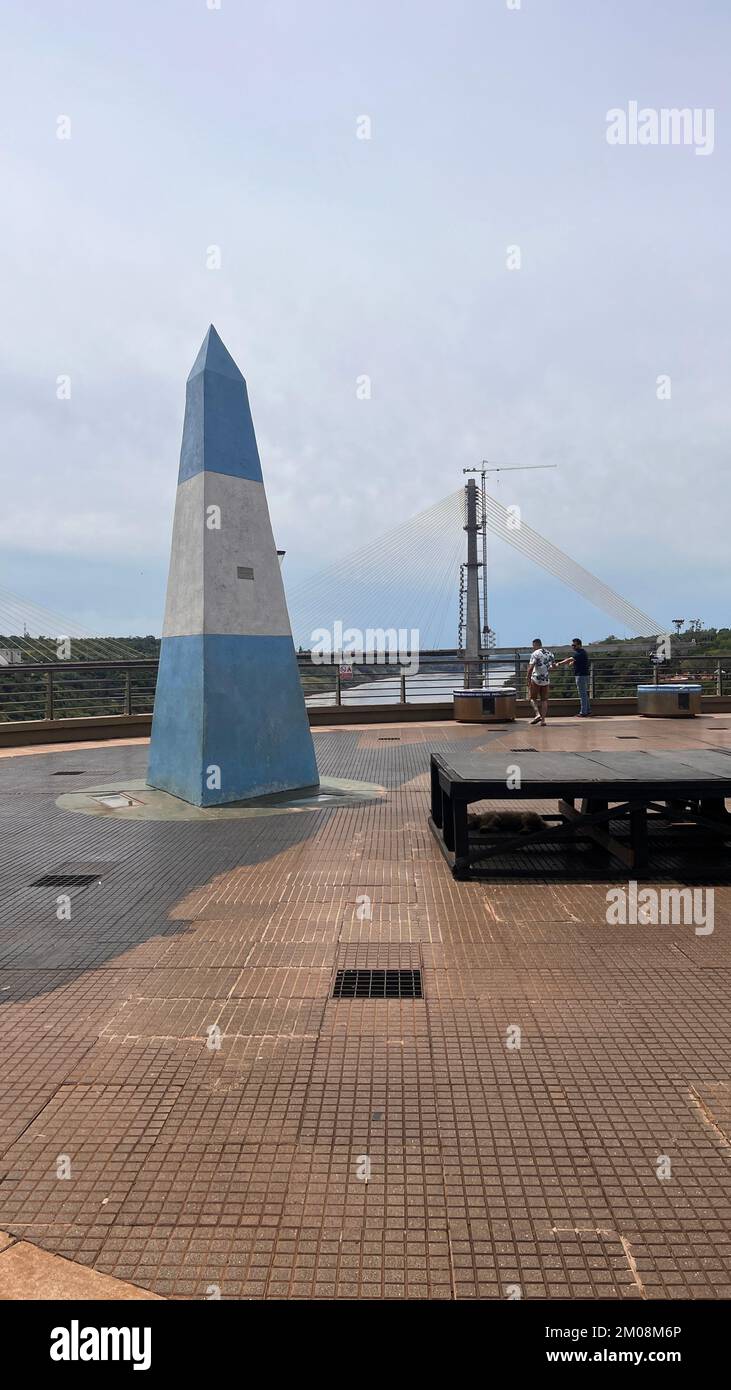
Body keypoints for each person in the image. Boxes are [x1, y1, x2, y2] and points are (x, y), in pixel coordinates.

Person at [556, 637, 591, 716]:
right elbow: (574, 660)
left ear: (579, 645)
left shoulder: (579, 653)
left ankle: (583, 712)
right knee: (584, 693)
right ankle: (587, 710)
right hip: (584, 675)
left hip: (581, 676)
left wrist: (558, 664)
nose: (573, 647)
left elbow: (569, 659)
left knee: (582, 694)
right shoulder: (582, 652)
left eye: (574, 645)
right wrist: (573, 662)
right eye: (572, 645)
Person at [526, 638, 555, 726]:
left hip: (536, 679)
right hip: (545, 680)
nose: (533, 647)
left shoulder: (535, 653)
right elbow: (553, 667)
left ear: (536, 645)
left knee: (532, 698)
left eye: (533, 645)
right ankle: (543, 720)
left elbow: (531, 668)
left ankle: (537, 714)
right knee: (544, 700)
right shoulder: (550, 654)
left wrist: (527, 678)